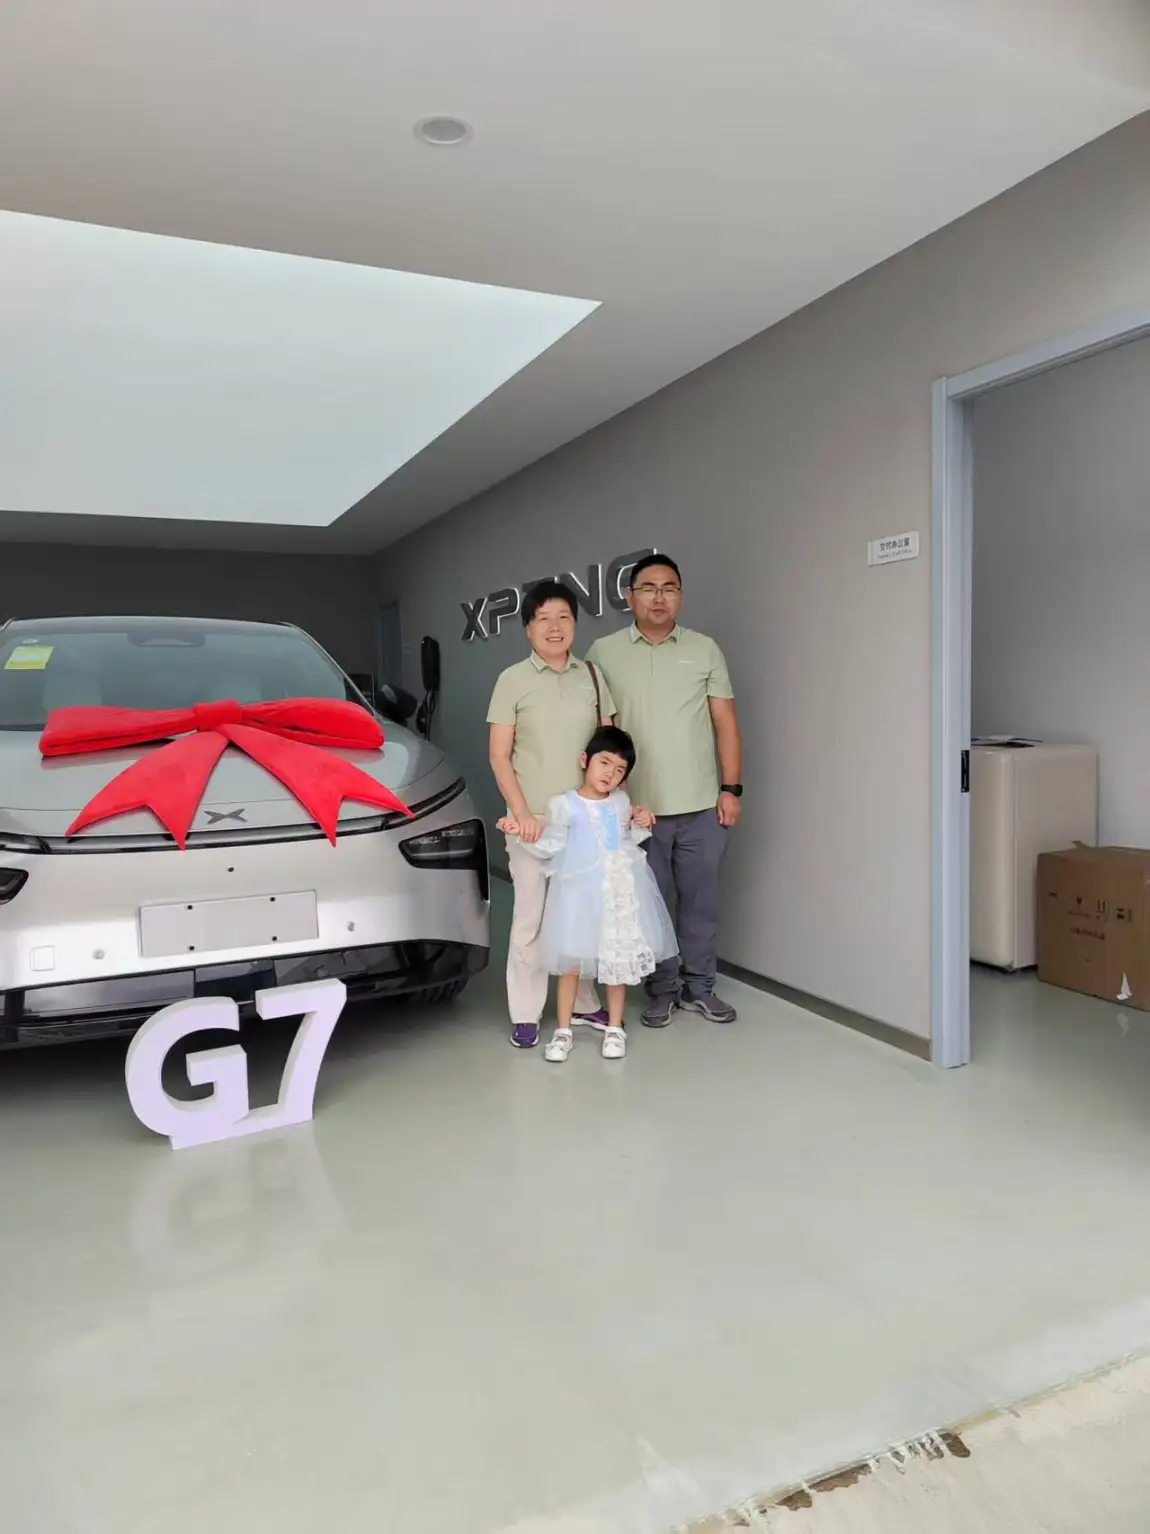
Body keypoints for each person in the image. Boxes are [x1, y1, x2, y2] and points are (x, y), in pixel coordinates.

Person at [586, 554, 742, 1027]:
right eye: (648, 588)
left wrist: (731, 788)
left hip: (701, 806)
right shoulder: (604, 652)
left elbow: (725, 722)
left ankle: (701, 987)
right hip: (636, 810)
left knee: (701, 905)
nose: (659, 597)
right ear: (630, 596)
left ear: (681, 596)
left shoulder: (705, 649)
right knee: (646, 909)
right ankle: (662, 989)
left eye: (669, 588)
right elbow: (600, 729)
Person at [487, 580, 619, 1049]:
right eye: (543, 618)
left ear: (575, 624)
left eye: (563, 617)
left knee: (580, 916)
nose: (554, 627)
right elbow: (499, 755)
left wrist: (615, 808)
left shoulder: (592, 677)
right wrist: (522, 812)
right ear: (528, 628)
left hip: (584, 820)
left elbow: (608, 747)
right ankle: (525, 1012)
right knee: (531, 919)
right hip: (533, 823)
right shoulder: (512, 680)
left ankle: (582, 1002)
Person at [498, 726, 677, 1062]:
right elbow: (552, 844)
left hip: (616, 894)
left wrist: (641, 822)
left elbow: (623, 840)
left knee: (616, 960)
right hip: (577, 895)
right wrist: (521, 832)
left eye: (620, 770)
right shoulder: (563, 804)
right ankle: (563, 1030)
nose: (610, 774)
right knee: (571, 961)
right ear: (585, 760)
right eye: (604, 763)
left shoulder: (620, 802)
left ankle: (614, 1029)